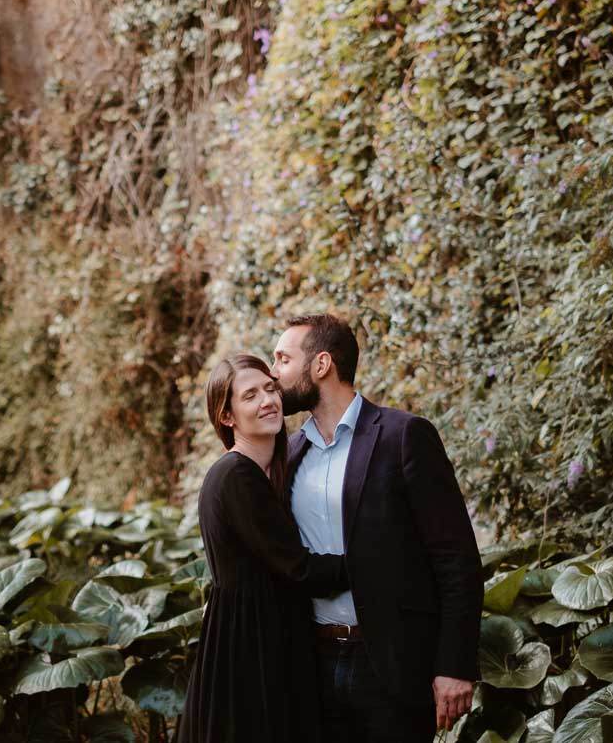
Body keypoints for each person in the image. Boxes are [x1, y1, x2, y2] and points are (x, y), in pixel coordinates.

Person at [272, 313, 484, 742]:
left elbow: (456, 558)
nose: (273, 373)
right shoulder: (288, 452)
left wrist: (454, 666)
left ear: (321, 365)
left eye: (282, 359)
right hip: (312, 663)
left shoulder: (404, 436)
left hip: (392, 663)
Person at [176, 354, 349, 743]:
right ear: (227, 416)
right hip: (249, 644)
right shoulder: (236, 476)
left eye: (271, 388)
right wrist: (371, 561)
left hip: (273, 633)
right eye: (250, 395)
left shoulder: (275, 469)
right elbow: (297, 568)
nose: (267, 401)